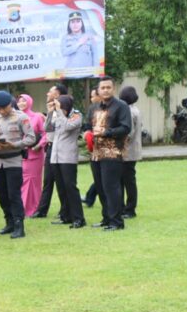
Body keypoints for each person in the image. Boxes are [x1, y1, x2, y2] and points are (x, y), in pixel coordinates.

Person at [0, 91, 34, 239]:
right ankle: (8, 223)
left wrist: (13, 145)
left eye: (4, 108)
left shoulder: (21, 117)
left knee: (14, 194)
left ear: (10, 104)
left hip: (14, 161)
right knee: (2, 194)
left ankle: (19, 226)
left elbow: (31, 138)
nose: (2, 111)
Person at [90, 76, 131, 231]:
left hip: (113, 151)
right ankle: (106, 218)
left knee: (111, 187)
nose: (105, 90)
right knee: (100, 187)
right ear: (98, 90)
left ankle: (116, 222)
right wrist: (87, 133)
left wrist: (106, 132)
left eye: (108, 87)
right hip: (96, 152)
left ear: (113, 89)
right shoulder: (94, 107)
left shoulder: (121, 106)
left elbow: (126, 128)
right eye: (103, 88)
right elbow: (88, 125)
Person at [44, 95, 86, 229]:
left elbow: (68, 126)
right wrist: (50, 112)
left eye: (59, 105)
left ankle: (79, 218)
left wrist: (60, 112)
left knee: (70, 187)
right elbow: (48, 128)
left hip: (68, 157)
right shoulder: (57, 114)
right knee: (61, 188)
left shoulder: (76, 115)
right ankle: (66, 215)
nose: (57, 108)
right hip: (55, 156)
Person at [30, 84, 68, 220]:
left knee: (61, 181)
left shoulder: (65, 110)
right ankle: (42, 210)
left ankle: (65, 211)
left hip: (60, 148)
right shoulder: (51, 110)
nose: (47, 94)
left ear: (58, 95)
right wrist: (49, 112)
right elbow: (48, 129)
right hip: (50, 148)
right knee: (47, 181)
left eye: (50, 92)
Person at [17, 94, 47, 218]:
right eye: (19, 101)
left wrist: (39, 145)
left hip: (35, 154)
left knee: (33, 182)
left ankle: (32, 208)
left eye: (24, 101)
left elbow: (45, 134)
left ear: (29, 102)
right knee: (22, 181)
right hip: (20, 155)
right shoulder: (15, 117)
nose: (21, 103)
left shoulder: (37, 117)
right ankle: (23, 207)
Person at [120, 86, 142, 219]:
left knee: (128, 181)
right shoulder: (135, 109)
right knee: (128, 180)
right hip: (133, 150)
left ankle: (129, 209)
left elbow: (129, 132)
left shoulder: (128, 110)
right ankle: (126, 208)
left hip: (128, 151)